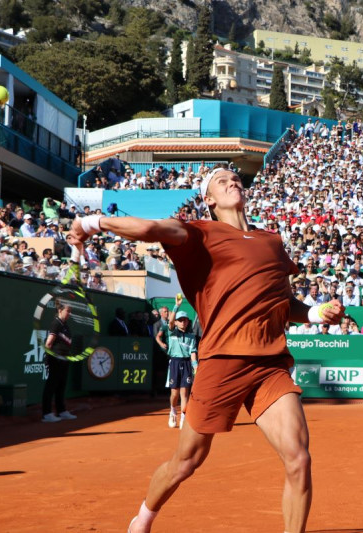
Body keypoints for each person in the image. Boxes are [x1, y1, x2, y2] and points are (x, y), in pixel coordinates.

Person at [69, 166, 345, 533]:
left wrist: (313, 311)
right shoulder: (198, 232)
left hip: (271, 366)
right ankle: (143, 519)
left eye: (235, 178)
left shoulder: (272, 242)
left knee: (299, 459)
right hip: (222, 363)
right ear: (209, 200)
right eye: (221, 180)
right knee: (187, 461)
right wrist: (90, 223)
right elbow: (149, 229)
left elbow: (282, 302)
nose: (232, 181)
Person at [159, 310, 198, 429]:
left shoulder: (192, 337)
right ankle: (173, 412)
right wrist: (176, 306)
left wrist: (195, 366)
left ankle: (183, 418)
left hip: (186, 364)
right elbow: (170, 321)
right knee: (174, 394)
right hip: (175, 363)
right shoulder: (172, 333)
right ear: (176, 322)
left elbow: (193, 353)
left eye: (184, 320)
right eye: (180, 320)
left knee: (184, 394)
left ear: (187, 322)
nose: (182, 322)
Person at [41, 301, 78, 422]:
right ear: (60, 310)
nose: (69, 314)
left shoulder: (65, 325)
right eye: (68, 311)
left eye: (70, 311)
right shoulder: (56, 324)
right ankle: (46, 414)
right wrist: (49, 358)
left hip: (64, 359)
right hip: (55, 359)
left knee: (61, 386)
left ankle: (61, 411)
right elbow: (49, 343)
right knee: (51, 385)